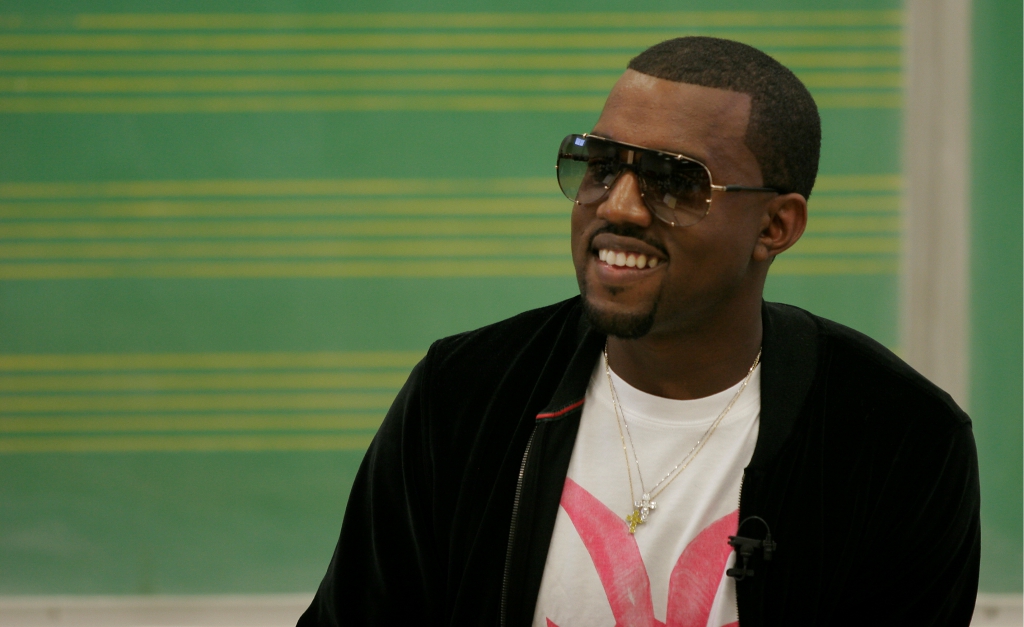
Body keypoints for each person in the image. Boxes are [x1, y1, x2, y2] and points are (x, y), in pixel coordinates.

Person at [297, 37, 980, 627]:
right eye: (601, 165)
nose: (618, 206)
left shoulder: (898, 439)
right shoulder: (465, 395)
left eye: (675, 182)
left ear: (775, 226)